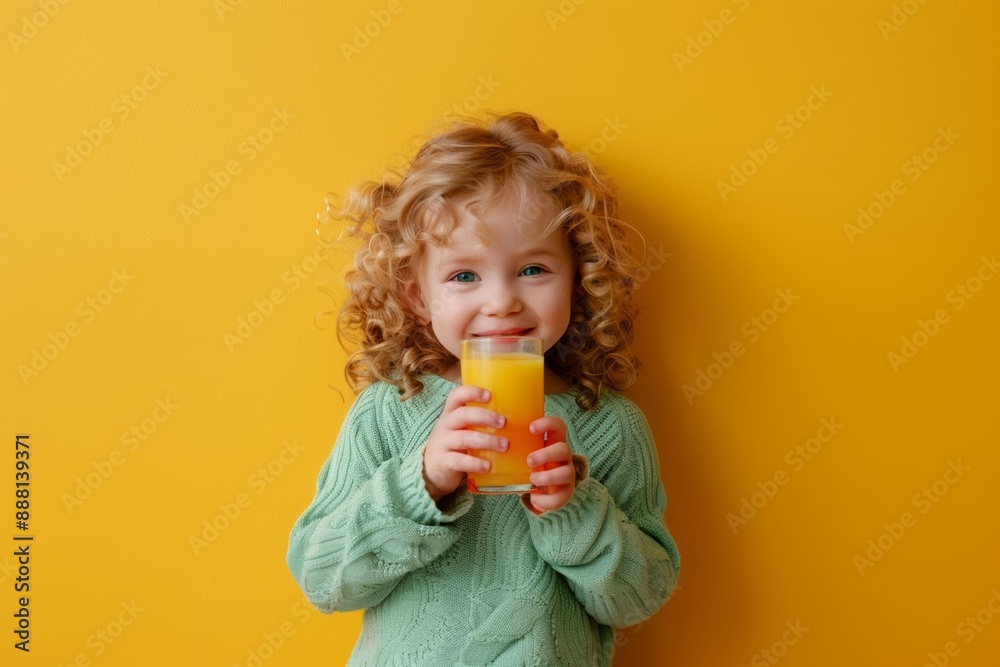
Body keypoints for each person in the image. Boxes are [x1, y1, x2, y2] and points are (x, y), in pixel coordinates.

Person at [287, 111, 680, 666]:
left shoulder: (610, 427)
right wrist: (420, 481)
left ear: (579, 279)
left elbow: (640, 596)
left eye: (534, 270)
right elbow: (321, 577)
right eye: (464, 276)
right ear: (419, 297)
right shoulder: (389, 411)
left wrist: (574, 510)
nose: (501, 302)